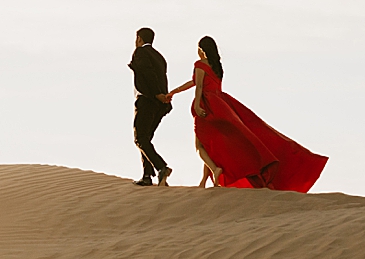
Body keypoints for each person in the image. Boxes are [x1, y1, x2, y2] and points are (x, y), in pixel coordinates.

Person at [165, 37, 327, 192]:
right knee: (213, 144)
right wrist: (174, 92)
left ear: (201, 50)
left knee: (200, 145)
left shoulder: (200, 64)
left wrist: (197, 104)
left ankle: (215, 169)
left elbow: (199, 86)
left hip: (206, 104)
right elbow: (194, 82)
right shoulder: (217, 67)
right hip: (221, 103)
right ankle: (205, 180)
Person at [129, 27, 173, 187]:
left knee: (140, 138)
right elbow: (161, 77)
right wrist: (162, 97)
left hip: (148, 100)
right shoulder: (159, 57)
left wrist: (156, 94)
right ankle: (147, 175)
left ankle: (161, 167)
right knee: (146, 139)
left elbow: (149, 75)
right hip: (159, 104)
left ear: (139, 39)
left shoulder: (140, 52)